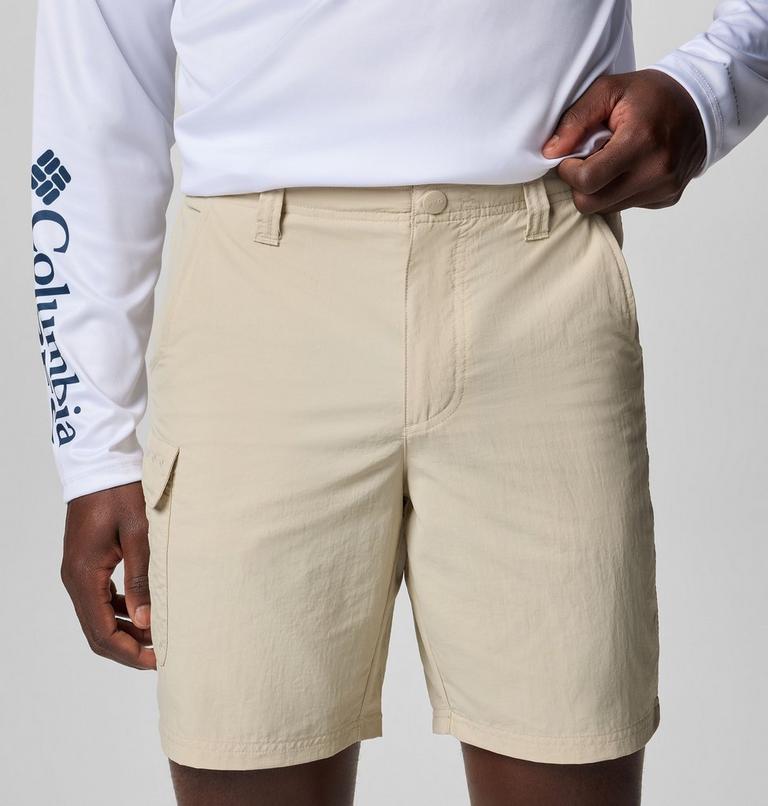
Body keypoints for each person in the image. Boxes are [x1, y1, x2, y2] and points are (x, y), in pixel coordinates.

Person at [29, 2, 768, 804]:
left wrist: (709, 90)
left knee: (574, 751)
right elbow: (96, 93)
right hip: (257, 313)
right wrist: (92, 446)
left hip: (538, 279)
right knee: (242, 752)